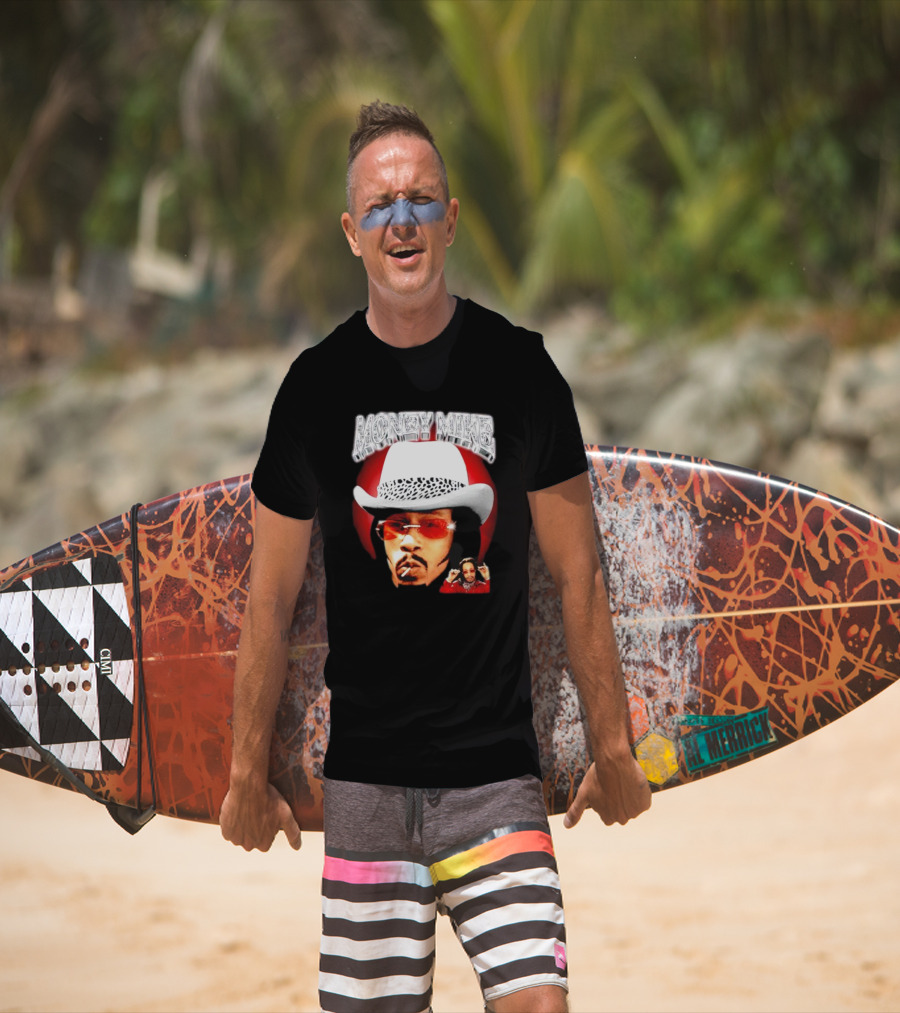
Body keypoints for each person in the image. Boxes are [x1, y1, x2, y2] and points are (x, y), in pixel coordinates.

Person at [220, 100, 651, 1013]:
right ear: (351, 232)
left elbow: (579, 575)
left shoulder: (522, 372)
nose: (402, 220)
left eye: (421, 200)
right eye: (380, 206)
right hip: (367, 787)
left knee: (540, 1003)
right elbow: (269, 600)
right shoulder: (314, 390)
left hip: (496, 780)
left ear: (451, 219)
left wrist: (612, 746)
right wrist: (242, 772)